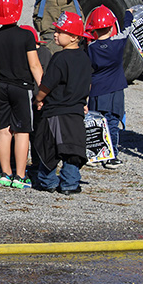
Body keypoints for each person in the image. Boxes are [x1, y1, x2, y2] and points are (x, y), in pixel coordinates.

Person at [0, 0, 43, 189]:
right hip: (22, 88)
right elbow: (34, 65)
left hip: (0, 87)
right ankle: (20, 175)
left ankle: (4, 173)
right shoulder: (26, 36)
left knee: (4, 131)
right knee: (22, 131)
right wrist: (43, 91)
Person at [33, 12, 93, 195]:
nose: (56, 34)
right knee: (73, 149)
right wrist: (83, 101)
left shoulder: (59, 58)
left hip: (56, 111)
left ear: (74, 37)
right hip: (75, 111)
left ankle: (48, 181)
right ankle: (70, 184)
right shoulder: (85, 58)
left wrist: (39, 98)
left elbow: (47, 84)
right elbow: (87, 84)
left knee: (49, 149)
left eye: (61, 31)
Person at [84, 5, 133, 169]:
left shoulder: (90, 48)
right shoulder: (118, 42)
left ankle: (95, 154)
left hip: (97, 90)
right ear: (112, 26)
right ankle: (112, 157)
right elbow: (128, 28)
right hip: (115, 90)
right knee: (112, 123)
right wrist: (128, 14)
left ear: (94, 29)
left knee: (96, 122)